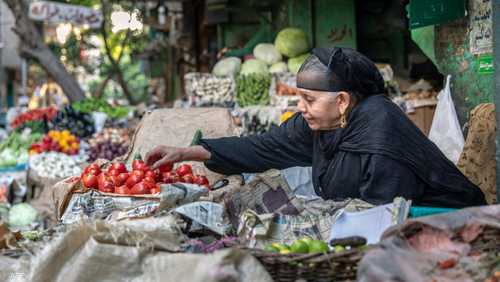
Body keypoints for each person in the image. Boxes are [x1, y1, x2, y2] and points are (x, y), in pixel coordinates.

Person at [145, 47, 486, 208]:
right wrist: (187, 152)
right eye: (299, 98)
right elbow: (265, 146)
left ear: (341, 101)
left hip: (441, 222)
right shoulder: (325, 123)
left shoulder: (381, 132)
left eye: (309, 99)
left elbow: (386, 216)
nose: (300, 108)